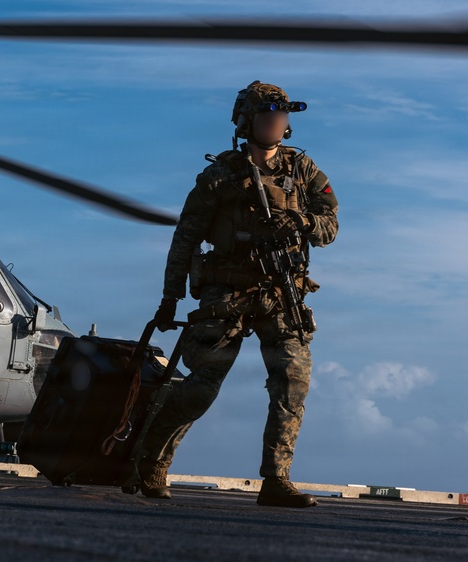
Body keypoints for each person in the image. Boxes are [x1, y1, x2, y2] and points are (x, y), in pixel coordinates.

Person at [143, 81, 339, 508]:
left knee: (291, 382)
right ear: (247, 122)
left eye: (281, 117)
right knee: (203, 384)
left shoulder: (303, 170)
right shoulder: (219, 176)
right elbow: (186, 237)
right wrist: (170, 297)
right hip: (227, 290)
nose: (276, 123)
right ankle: (151, 461)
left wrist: (302, 222)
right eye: (267, 116)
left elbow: (330, 225)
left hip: (281, 292)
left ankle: (276, 479)